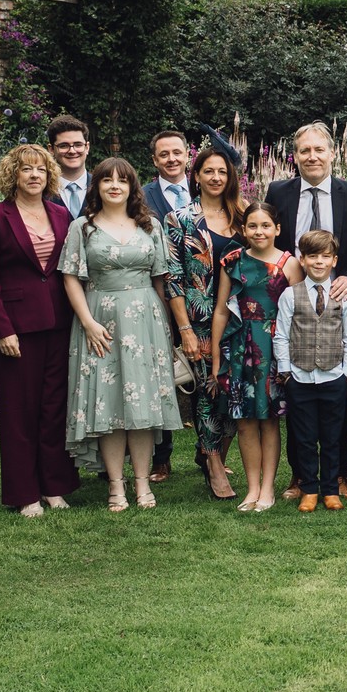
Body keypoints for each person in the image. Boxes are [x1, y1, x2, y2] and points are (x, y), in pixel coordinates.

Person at [59, 157, 183, 512]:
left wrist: (166, 328)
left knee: (142, 404)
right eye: (107, 180)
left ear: (132, 187)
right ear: (96, 186)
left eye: (122, 180)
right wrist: (87, 322)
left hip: (145, 321)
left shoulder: (150, 225)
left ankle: (142, 482)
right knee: (109, 404)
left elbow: (160, 279)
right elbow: (70, 277)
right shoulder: (82, 227)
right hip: (100, 320)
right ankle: (116, 485)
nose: (115, 186)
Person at [0, 144, 80, 517]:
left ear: (49, 175)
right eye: (26, 169)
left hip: (60, 323)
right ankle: (25, 494)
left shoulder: (61, 214)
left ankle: (54, 487)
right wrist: (3, 329)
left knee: (54, 409)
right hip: (17, 329)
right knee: (19, 413)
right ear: (13, 175)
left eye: (40, 169)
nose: (34, 175)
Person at [266, 122, 347, 499]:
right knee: (299, 401)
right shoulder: (279, 191)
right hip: (295, 301)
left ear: (332, 153)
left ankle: (340, 475)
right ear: (295, 156)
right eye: (304, 150)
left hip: (340, 301)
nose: (312, 157)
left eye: (319, 149)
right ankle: (300, 476)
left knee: (339, 396)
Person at [164, 146, 244, 499]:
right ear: (195, 176)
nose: (215, 177)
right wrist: (184, 329)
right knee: (211, 389)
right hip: (200, 320)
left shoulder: (243, 215)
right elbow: (173, 278)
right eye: (208, 171)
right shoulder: (179, 219)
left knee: (237, 389)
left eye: (222, 172)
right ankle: (214, 465)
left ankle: (215, 453)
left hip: (243, 320)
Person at [211, 202, 299, 512]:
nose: (259, 231)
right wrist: (216, 358)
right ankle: (251, 488)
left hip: (274, 346)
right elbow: (221, 310)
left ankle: (268, 488)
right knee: (245, 421)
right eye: (252, 226)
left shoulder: (290, 264)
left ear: (277, 229)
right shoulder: (232, 261)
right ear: (244, 230)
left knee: (269, 420)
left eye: (265, 225)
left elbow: (298, 313)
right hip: (240, 347)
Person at [274, 230, 347, 512]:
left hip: (334, 376)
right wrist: (286, 372)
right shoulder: (290, 295)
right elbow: (281, 336)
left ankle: (331, 489)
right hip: (300, 377)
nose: (319, 262)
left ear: (334, 260)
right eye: (313, 256)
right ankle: (309, 488)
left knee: (333, 437)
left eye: (325, 256)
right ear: (302, 260)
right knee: (305, 436)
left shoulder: (343, 296)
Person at [140, 129, 193, 481]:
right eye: (164, 154)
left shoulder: (206, 188)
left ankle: (211, 453)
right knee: (161, 377)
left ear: (187, 155)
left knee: (207, 375)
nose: (172, 159)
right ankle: (161, 456)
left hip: (203, 295)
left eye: (177, 152)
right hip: (158, 295)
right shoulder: (142, 197)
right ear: (154, 160)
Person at [46, 113, 91, 219]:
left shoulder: (101, 188)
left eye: (78, 145)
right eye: (64, 146)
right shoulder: (42, 191)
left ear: (87, 147)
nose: (72, 151)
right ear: (51, 149)